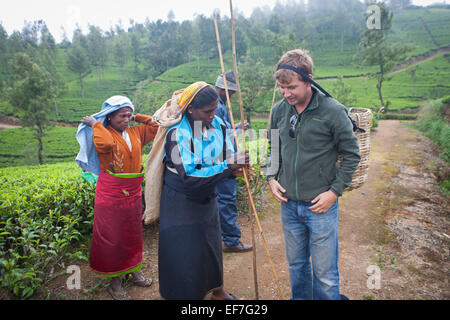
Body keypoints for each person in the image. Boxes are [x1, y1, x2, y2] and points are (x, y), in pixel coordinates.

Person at [266, 49, 360, 300]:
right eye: (282, 87)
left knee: (325, 273)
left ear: (309, 80)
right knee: (297, 267)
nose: (286, 93)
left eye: (292, 87)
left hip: (321, 207)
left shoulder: (332, 111)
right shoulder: (279, 111)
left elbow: (352, 154)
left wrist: (334, 192)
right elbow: (273, 146)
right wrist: (271, 177)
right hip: (289, 206)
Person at [158, 81, 250, 300]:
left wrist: (237, 165)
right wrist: (228, 166)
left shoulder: (218, 124)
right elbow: (190, 176)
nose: (212, 115)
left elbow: (226, 154)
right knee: (185, 252)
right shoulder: (176, 135)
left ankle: (217, 290)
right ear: (191, 109)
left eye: (215, 109)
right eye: (207, 111)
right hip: (181, 202)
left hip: (207, 197)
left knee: (210, 246)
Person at [76, 96, 159, 300]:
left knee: (132, 233)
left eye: (129, 115)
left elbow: (156, 127)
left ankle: (133, 272)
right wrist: (96, 123)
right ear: (110, 116)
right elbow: (104, 145)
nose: (127, 119)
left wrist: (138, 115)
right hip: (111, 192)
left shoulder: (136, 132)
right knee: (113, 236)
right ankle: (114, 283)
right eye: (122, 115)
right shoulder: (103, 133)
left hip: (132, 190)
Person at [214, 71, 253, 253]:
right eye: (231, 92)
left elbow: (227, 130)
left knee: (221, 200)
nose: (232, 96)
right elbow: (222, 135)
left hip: (222, 159)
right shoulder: (216, 106)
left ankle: (223, 236)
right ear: (223, 89)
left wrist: (238, 127)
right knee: (227, 200)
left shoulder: (221, 104)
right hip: (223, 160)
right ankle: (231, 240)